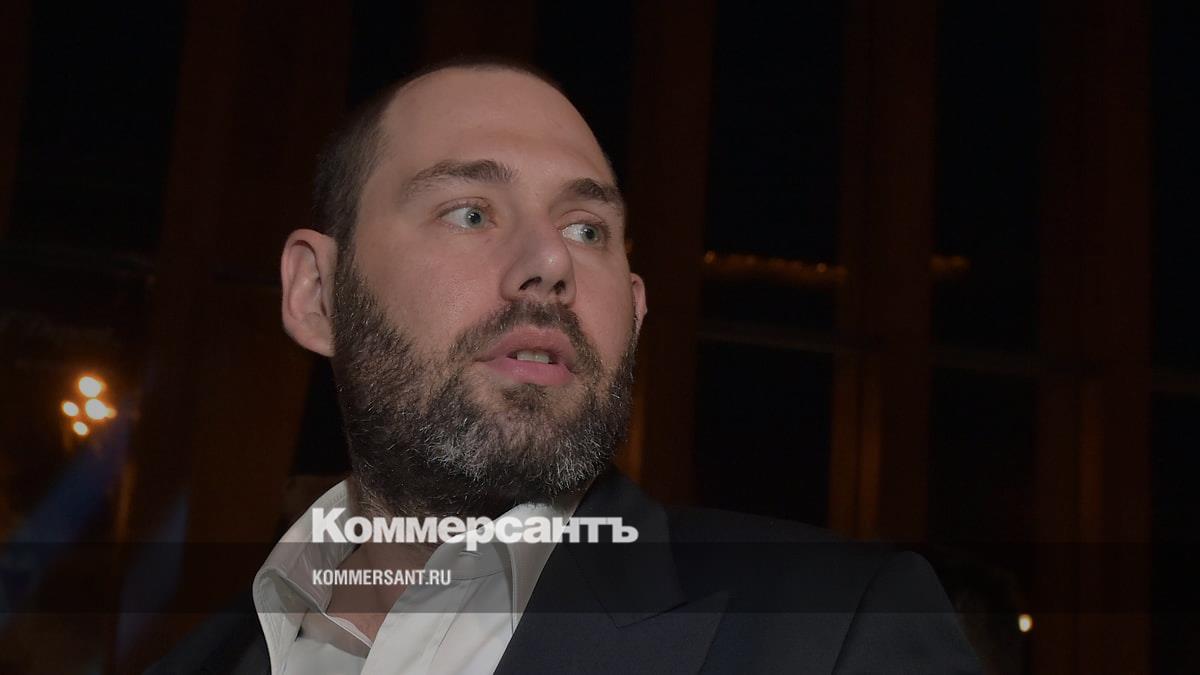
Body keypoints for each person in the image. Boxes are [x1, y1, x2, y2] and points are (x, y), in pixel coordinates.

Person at [151, 58, 982, 674]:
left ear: (636, 311)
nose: (551, 261)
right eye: (470, 212)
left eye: (588, 230)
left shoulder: (836, 630)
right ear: (317, 294)